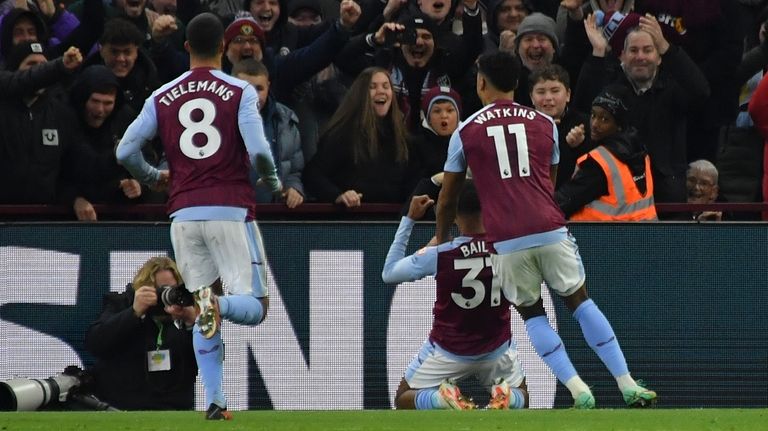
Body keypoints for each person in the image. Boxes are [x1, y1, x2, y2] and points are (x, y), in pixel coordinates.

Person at [435, 51, 657, 409]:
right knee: (580, 301)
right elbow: (547, 183)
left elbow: (448, 198)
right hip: (550, 227)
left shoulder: (466, 131)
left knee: (533, 312)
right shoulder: (544, 124)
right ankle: (627, 383)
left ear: (480, 83)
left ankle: (577, 390)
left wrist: (441, 235)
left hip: (507, 239)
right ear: (519, 84)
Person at [116, 12, 283, 420]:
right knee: (253, 306)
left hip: (184, 214)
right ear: (223, 48)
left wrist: (154, 177)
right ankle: (212, 302)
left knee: (200, 314)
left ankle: (215, 399)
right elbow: (259, 149)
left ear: (187, 47)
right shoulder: (238, 90)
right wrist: (273, 181)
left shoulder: (162, 95)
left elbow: (124, 151)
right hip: (229, 209)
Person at [383, 182, 529, 410]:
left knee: (403, 397)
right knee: (522, 395)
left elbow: (389, 273)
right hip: (495, 348)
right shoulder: (508, 248)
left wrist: (409, 218)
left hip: (448, 350)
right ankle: (509, 398)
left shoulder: (442, 254)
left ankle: (440, 400)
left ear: (452, 214)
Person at [84, 256, 198, 410]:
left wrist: (193, 323)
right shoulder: (120, 304)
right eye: (160, 290)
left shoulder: (181, 313)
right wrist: (134, 312)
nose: (165, 296)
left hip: (173, 407)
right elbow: (95, 343)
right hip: (122, 407)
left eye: (171, 289)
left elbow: (213, 358)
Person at [304, 66, 418, 207]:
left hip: (391, 221)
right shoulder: (342, 134)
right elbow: (313, 175)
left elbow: (410, 182)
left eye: (386, 86)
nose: (381, 91)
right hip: (353, 221)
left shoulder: (403, 139)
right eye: (373, 87)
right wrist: (338, 195)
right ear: (361, 94)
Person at [556, 85, 656, 220]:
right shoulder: (641, 153)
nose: (595, 124)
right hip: (645, 235)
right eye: (593, 115)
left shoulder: (598, 164)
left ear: (619, 125)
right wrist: (578, 149)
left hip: (601, 237)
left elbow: (563, 201)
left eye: (605, 119)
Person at [232, 58, 306, 208]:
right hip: (228, 216)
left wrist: (294, 189)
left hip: (272, 216)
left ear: (268, 86)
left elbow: (294, 171)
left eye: (259, 88)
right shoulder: (213, 119)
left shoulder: (285, 121)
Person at [528, 63, 590, 189]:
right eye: (541, 92)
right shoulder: (522, 125)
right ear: (531, 97)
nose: (548, 98)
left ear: (568, 94)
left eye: (555, 91)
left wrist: (579, 146)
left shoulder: (585, 124)